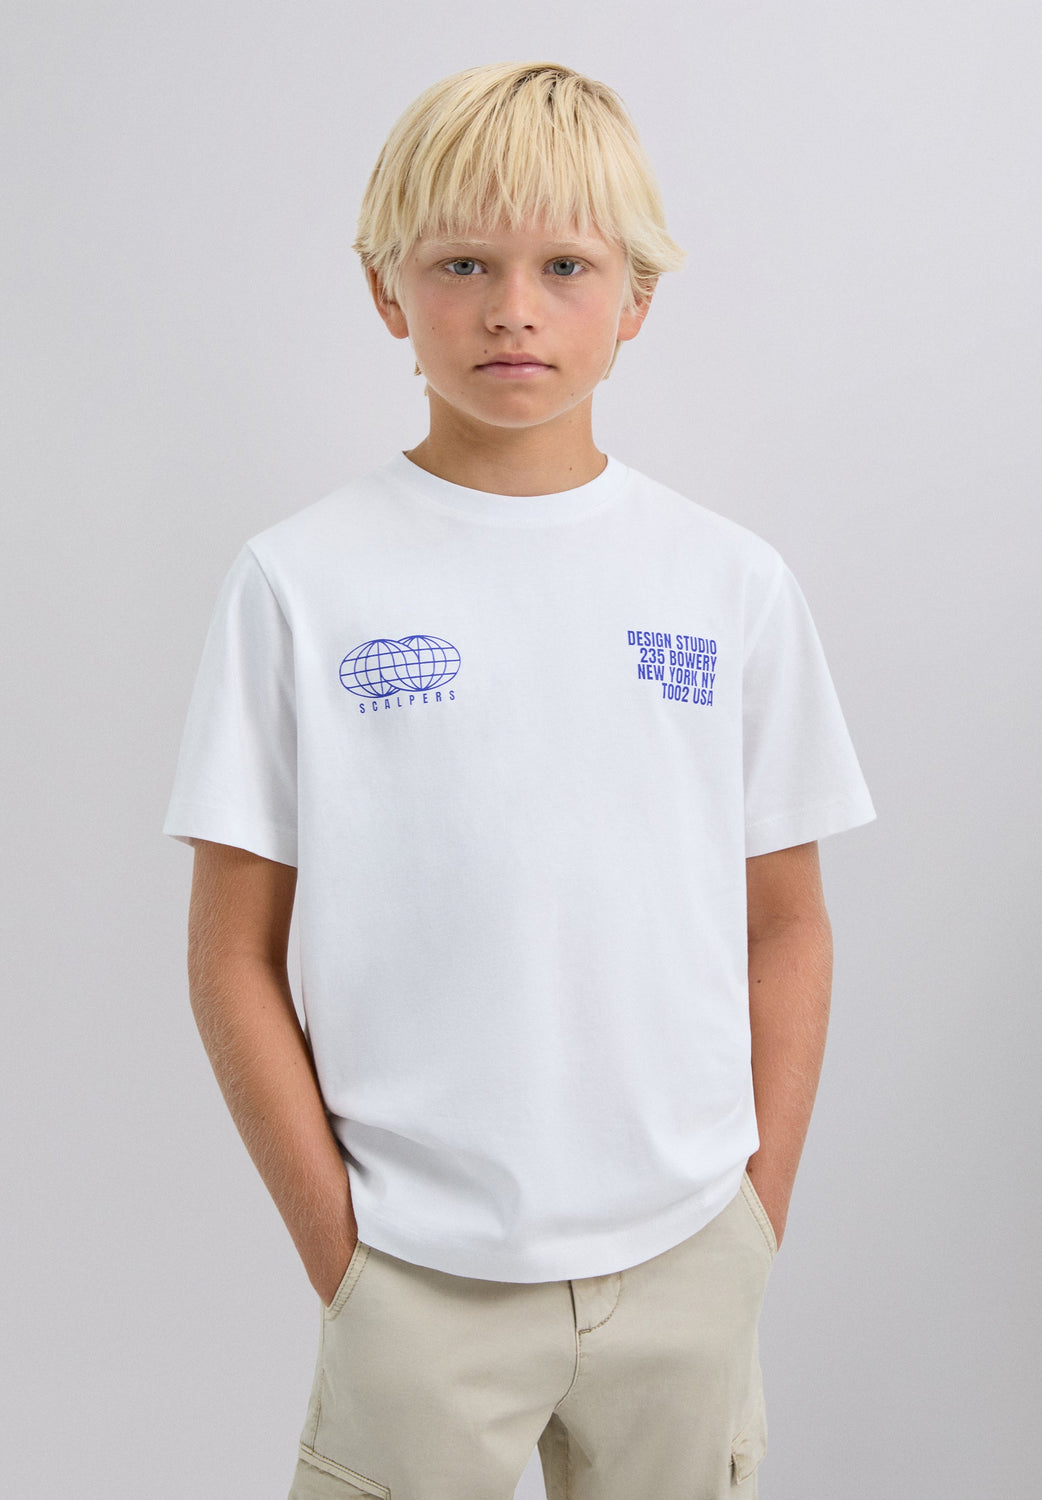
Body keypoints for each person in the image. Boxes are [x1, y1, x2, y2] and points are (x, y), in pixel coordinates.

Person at [164, 61, 875, 1500]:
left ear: (636, 298)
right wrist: (344, 1257)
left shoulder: (728, 583)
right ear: (387, 290)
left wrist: (752, 1218)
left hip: (688, 1257)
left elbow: (785, 922)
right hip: (416, 1274)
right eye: (461, 265)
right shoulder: (300, 583)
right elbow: (233, 951)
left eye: (565, 266)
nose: (511, 310)